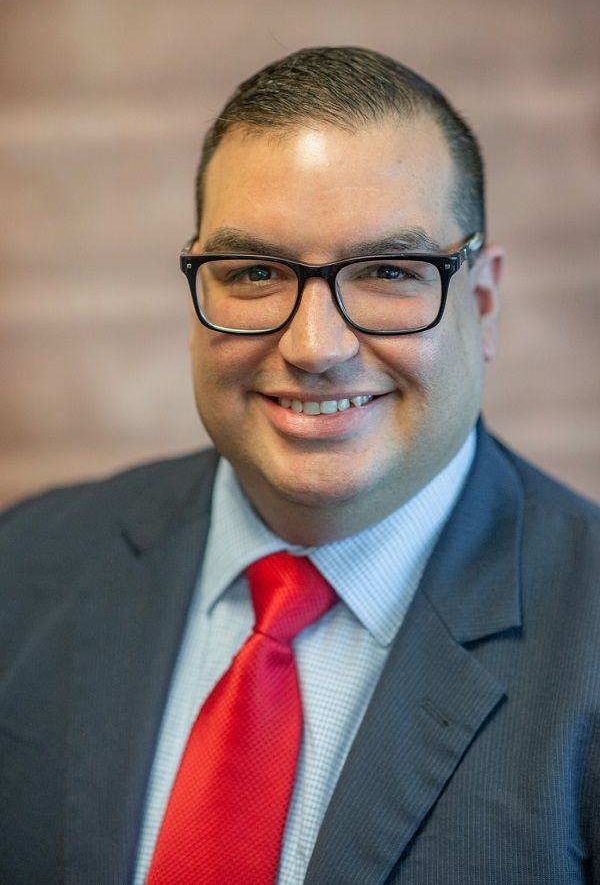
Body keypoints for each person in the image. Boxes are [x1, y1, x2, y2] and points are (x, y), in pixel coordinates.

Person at [0, 47, 598, 885]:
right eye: (253, 272)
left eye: (391, 270)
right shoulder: (23, 566)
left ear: (484, 304)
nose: (315, 346)